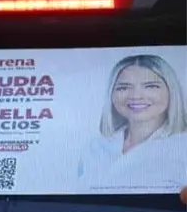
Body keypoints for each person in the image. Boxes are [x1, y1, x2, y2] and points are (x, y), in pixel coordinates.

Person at [78, 54, 187, 190]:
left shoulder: (183, 147)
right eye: (123, 88)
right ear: (111, 95)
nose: (136, 96)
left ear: (171, 91)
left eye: (151, 86)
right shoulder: (94, 148)